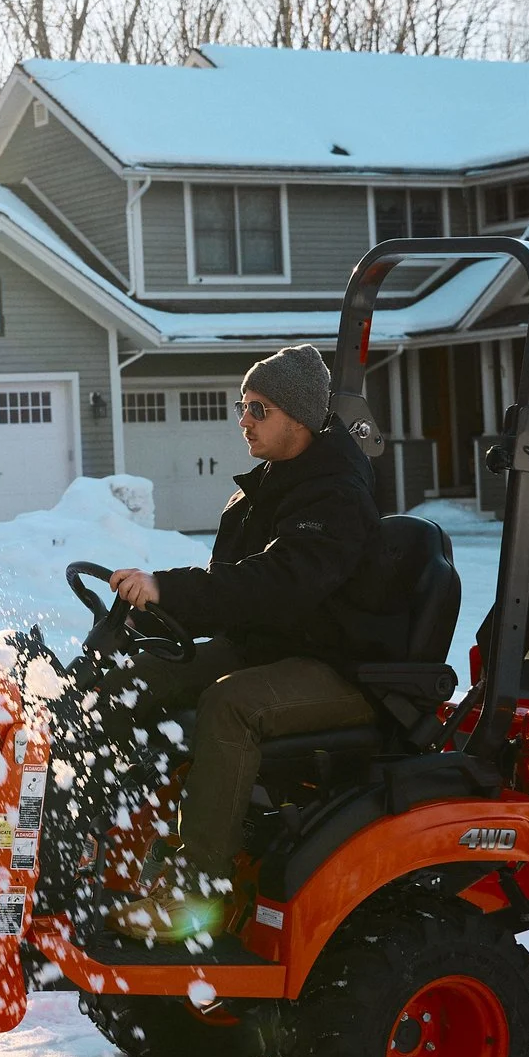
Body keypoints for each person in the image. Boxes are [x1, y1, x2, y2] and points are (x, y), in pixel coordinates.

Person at [102, 342, 381, 942]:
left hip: (342, 665)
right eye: (242, 405)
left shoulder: (334, 495)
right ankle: (103, 855)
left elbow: (275, 586)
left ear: (299, 418)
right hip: (272, 645)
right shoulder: (263, 489)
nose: (243, 420)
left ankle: (200, 889)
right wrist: (154, 617)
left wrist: (169, 590)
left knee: (231, 704)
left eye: (258, 408)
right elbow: (235, 595)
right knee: (137, 681)